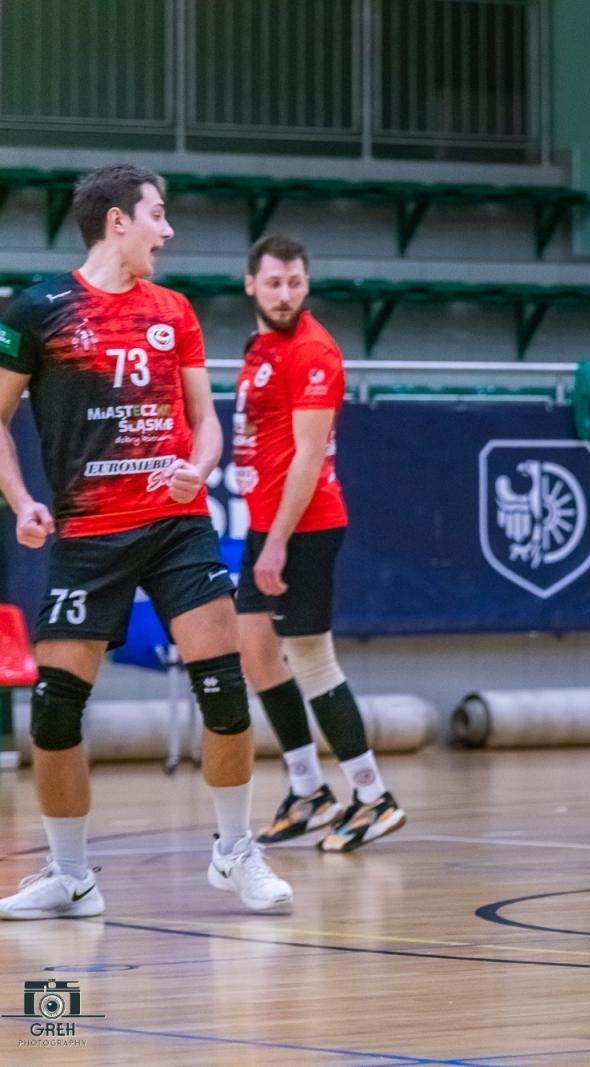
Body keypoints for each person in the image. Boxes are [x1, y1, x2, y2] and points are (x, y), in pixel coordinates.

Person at [0, 165, 293, 917]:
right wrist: (23, 499)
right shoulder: (38, 311)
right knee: (55, 712)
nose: (167, 229)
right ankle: (70, 876)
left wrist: (197, 467)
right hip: (87, 532)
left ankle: (235, 852)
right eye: (157, 215)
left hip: (175, 529)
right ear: (116, 221)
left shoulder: (175, 310)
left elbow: (206, 420)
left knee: (224, 686)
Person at [233, 235, 405, 852]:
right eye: (274, 283)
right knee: (254, 651)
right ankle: (307, 789)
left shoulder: (312, 351)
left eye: (295, 283)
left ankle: (372, 794)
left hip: (302, 527)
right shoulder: (259, 346)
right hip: (266, 526)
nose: (285, 294)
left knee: (310, 657)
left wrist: (277, 541)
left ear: (306, 284)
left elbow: (309, 457)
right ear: (251, 283)